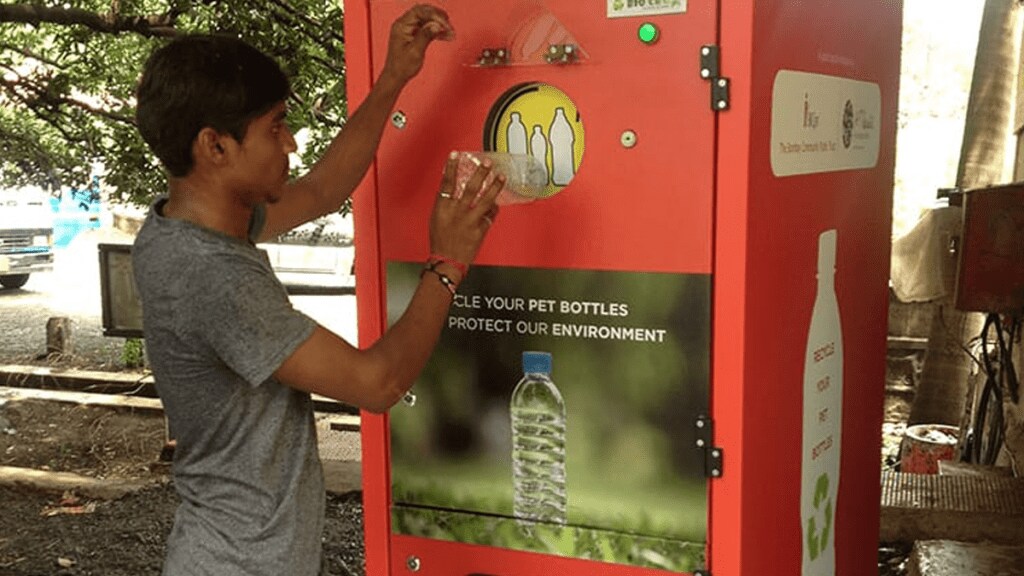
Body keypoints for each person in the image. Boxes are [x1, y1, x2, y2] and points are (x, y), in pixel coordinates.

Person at [131, 5, 503, 575]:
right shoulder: (214, 277)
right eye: (275, 127)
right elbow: (376, 383)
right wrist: (448, 261)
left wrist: (394, 77)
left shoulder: (179, 226)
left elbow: (325, 189)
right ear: (215, 147)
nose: (291, 144)